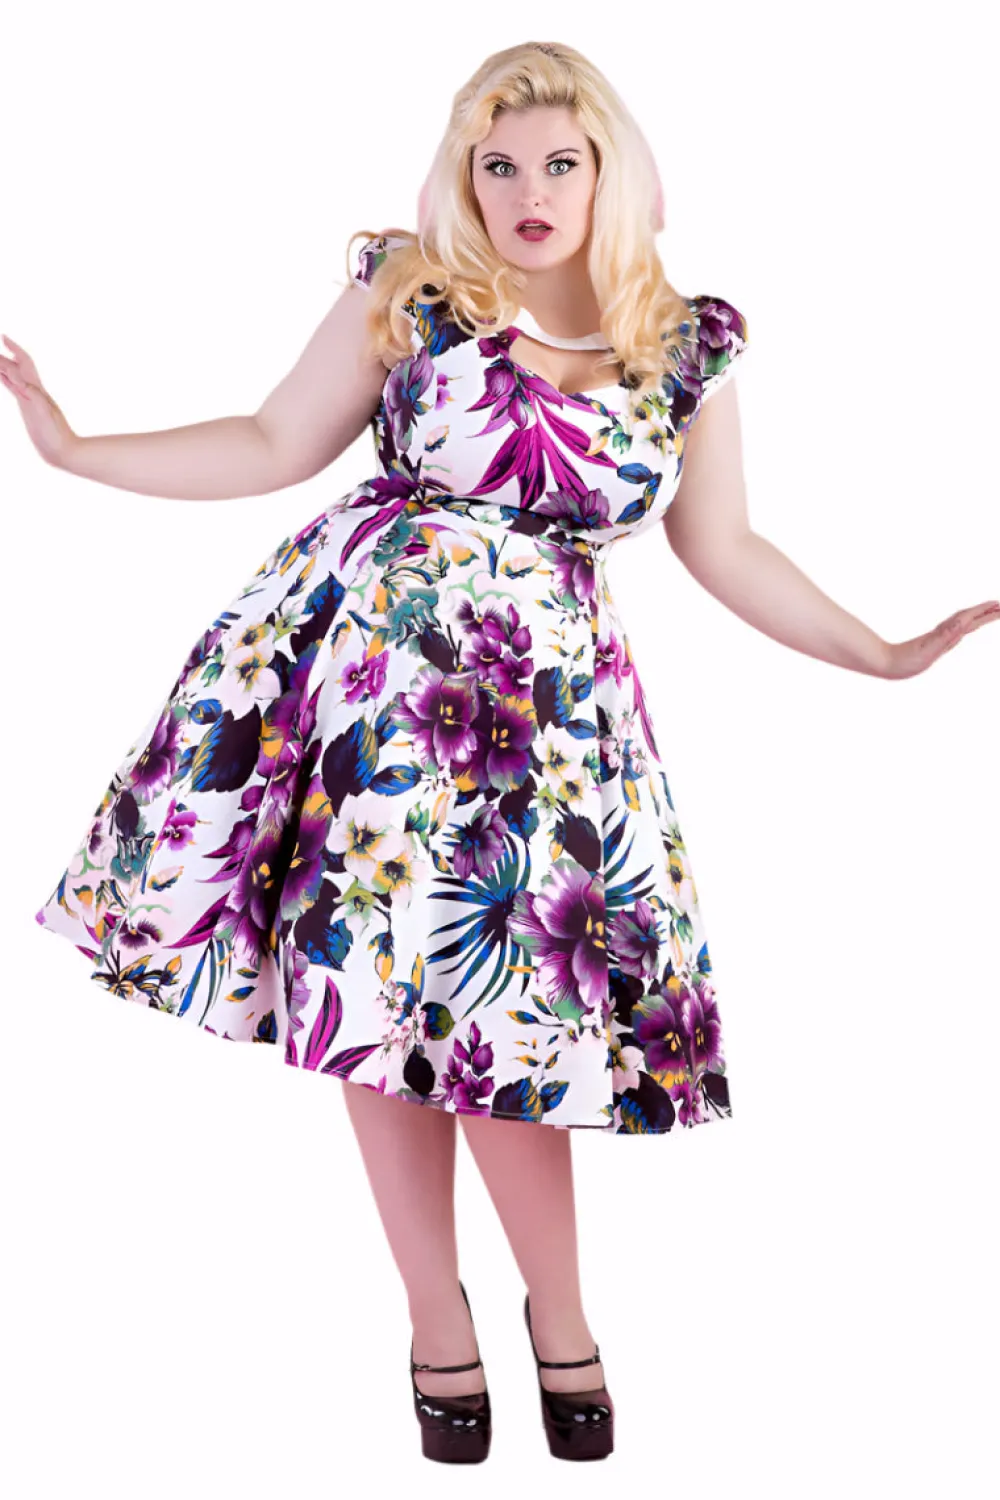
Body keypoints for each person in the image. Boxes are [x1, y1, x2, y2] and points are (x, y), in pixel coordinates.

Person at [9, 39, 998, 1469]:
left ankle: (562, 1311)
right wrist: (74, 447)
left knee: (514, 1021)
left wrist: (885, 652)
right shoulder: (415, 296)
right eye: (499, 165)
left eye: (559, 163)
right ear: (464, 180)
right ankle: (434, 1317)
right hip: (369, 695)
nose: (530, 191)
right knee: (371, 999)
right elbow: (274, 438)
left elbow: (728, 549)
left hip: (545, 730)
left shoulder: (682, 350)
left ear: (612, 175)